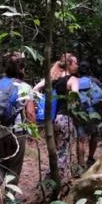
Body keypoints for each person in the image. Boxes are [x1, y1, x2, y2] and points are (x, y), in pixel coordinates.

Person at [0, 52, 35, 204]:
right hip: (16, 133)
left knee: (0, 163)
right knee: (14, 165)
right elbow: (30, 113)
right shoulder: (25, 87)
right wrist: (33, 131)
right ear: (21, 69)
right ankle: (9, 200)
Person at [34, 53, 79, 186]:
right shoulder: (72, 80)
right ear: (69, 64)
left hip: (52, 120)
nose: (77, 65)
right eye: (75, 63)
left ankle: (50, 181)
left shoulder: (52, 79)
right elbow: (74, 100)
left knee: (56, 151)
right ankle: (56, 182)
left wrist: (37, 103)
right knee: (63, 151)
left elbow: (35, 88)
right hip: (65, 118)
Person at [76, 61, 102, 168]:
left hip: (80, 113)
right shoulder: (95, 81)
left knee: (81, 139)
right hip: (94, 113)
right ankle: (90, 158)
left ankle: (81, 163)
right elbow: (101, 98)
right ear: (89, 70)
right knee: (94, 135)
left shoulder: (76, 81)